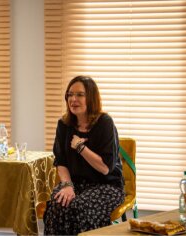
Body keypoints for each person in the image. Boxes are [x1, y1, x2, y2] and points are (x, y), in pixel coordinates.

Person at [43, 75, 125, 235]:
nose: (73, 99)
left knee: (79, 208)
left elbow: (105, 168)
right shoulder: (63, 125)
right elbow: (61, 162)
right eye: (70, 95)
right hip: (74, 183)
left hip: (106, 185)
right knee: (57, 205)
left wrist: (81, 147)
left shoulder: (105, 123)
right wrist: (67, 186)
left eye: (80, 95)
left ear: (91, 98)